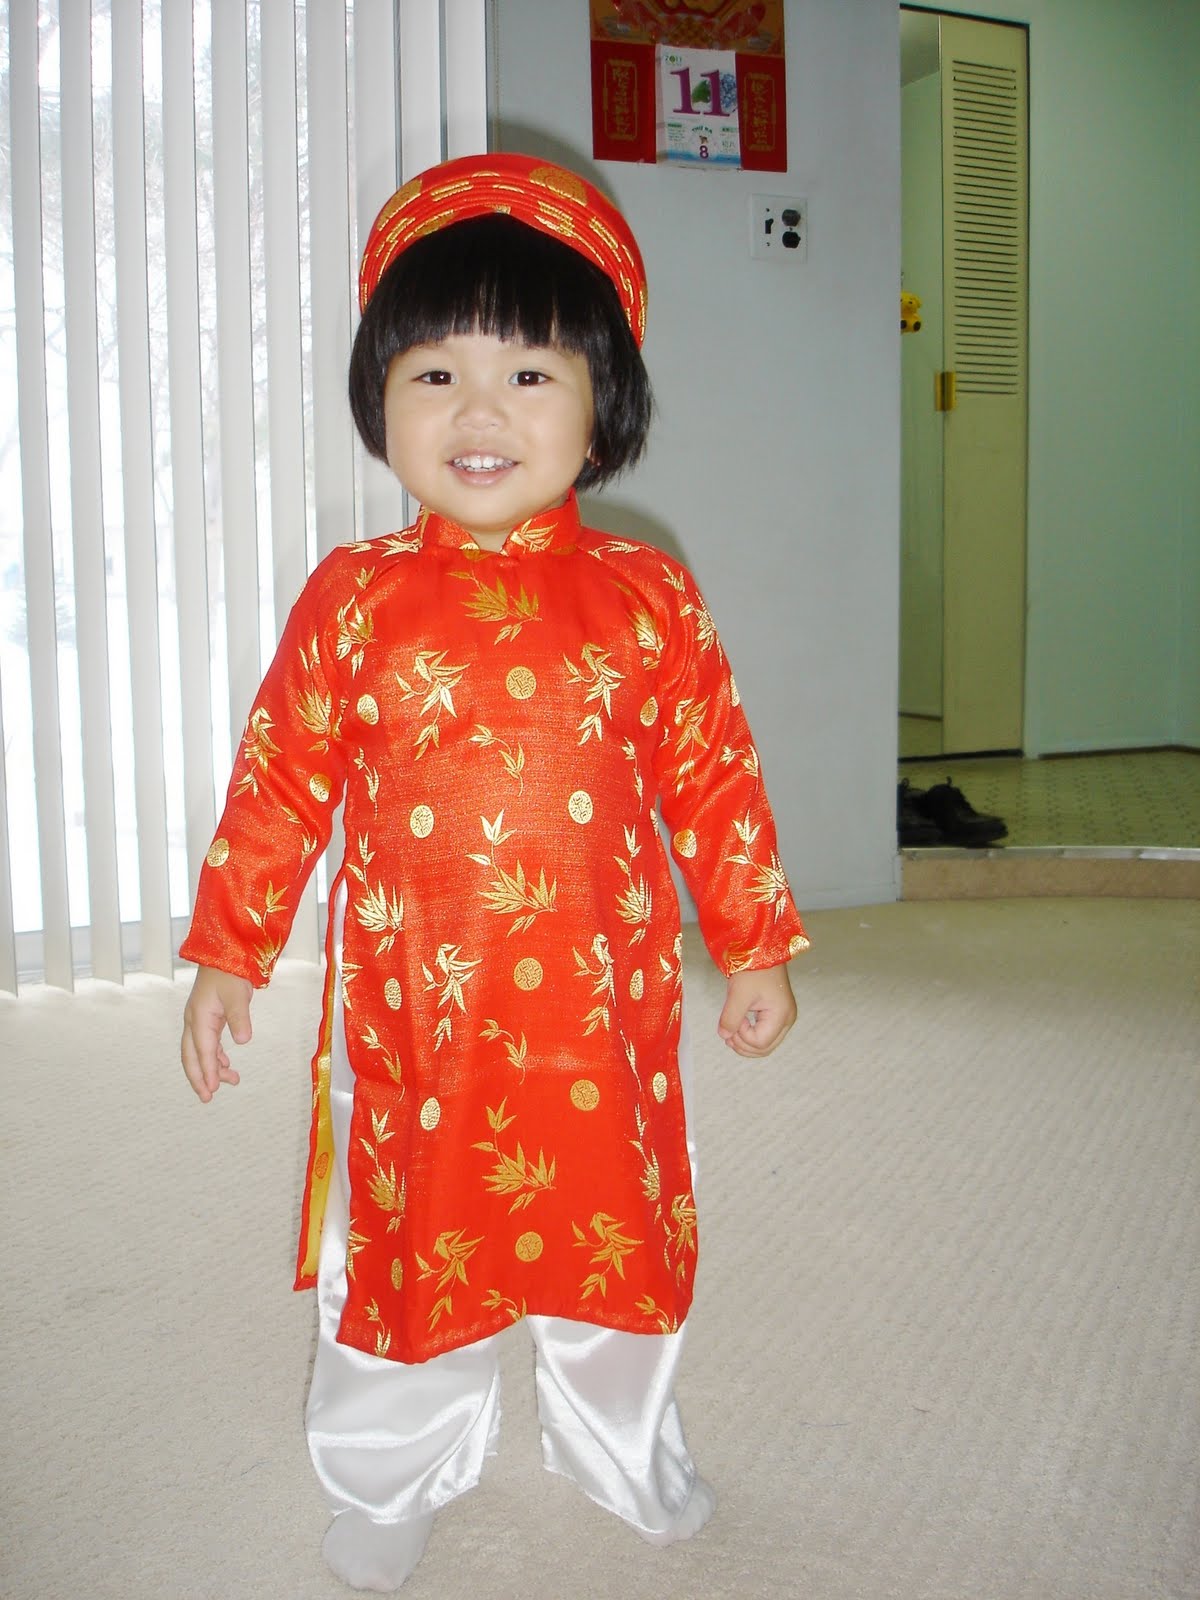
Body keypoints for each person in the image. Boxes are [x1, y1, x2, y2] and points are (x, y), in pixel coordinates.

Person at [179, 153, 808, 1592]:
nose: (478, 412)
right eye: (434, 374)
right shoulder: (353, 602)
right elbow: (279, 780)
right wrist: (229, 950)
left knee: (613, 1244)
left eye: (529, 374)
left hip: (601, 1018)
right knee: (409, 1252)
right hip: (418, 1022)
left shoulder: (647, 597)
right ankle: (392, 1469)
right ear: (378, 398)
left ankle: (622, 1451)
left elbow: (715, 777)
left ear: (603, 400)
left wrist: (754, 942)